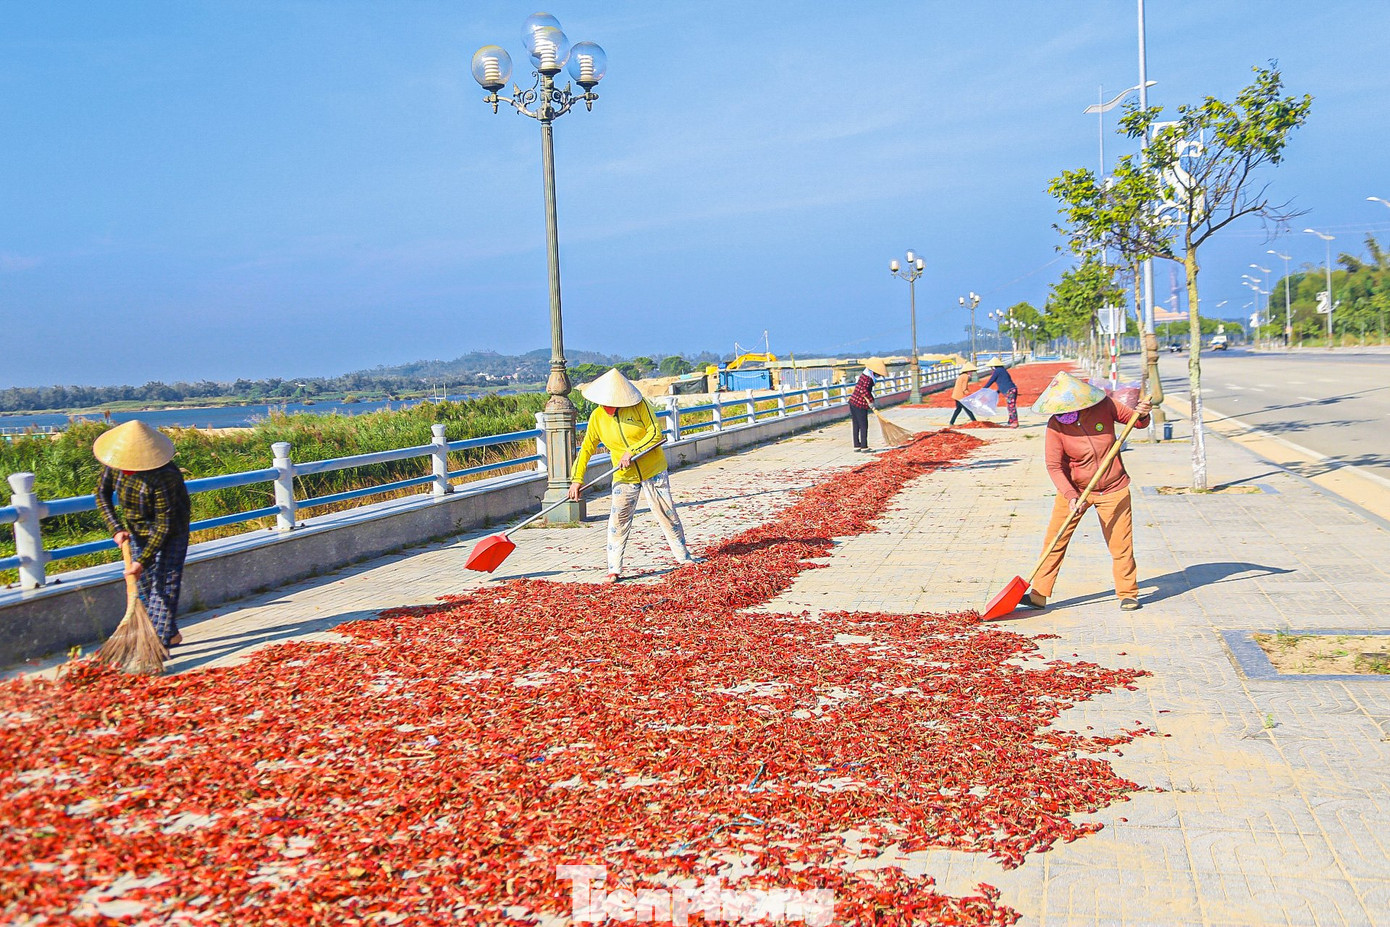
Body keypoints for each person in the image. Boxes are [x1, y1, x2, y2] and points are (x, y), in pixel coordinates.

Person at [1024, 371, 1152, 612]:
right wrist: (1071, 495)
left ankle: (1128, 594)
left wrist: (1144, 414)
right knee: (1055, 540)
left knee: (1121, 545)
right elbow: (1054, 466)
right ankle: (1038, 595)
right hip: (1075, 490)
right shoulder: (1055, 426)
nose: (1065, 412)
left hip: (1113, 488)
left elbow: (1135, 421)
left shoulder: (1104, 405)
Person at [568, 368, 696, 583]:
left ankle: (684, 558)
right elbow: (587, 448)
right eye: (603, 403)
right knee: (618, 519)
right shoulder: (597, 417)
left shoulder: (639, 406)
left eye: (611, 403)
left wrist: (632, 451)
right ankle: (614, 569)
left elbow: (655, 433)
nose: (606, 407)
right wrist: (576, 479)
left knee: (667, 513)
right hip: (624, 474)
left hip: (652, 469)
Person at [93, 420, 192, 648]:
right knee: (145, 586)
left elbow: (164, 525)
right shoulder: (115, 466)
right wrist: (116, 528)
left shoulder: (165, 475)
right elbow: (102, 494)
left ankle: (155, 643)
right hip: (137, 531)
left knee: (165, 584)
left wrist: (142, 561)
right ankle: (169, 634)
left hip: (172, 531)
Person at [847, 357, 888, 451]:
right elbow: (864, 390)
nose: (879, 375)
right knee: (863, 425)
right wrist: (871, 401)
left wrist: (870, 401)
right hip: (859, 404)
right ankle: (864, 446)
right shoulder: (868, 378)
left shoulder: (865, 375)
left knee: (856, 424)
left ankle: (857, 445)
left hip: (853, 402)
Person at [981, 356, 1020, 427]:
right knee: (1010, 406)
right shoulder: (1003, 370)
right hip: (1012, 389)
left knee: (1011, 406)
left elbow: (991, 381)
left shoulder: (997, 371)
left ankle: (1014, 422)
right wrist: (997, 392)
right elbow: (1003, 382)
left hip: (1009, 390)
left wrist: (983, 389)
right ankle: (1011, 420)